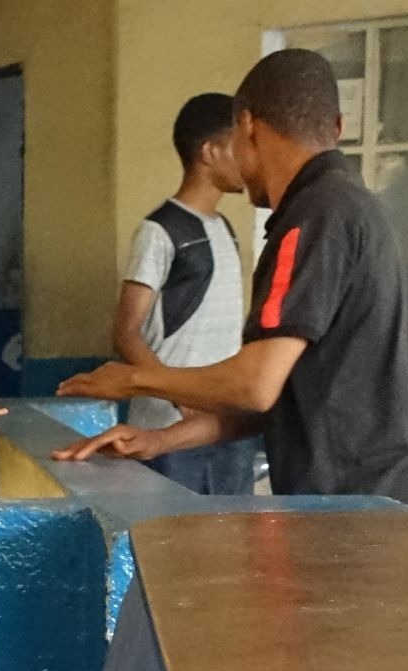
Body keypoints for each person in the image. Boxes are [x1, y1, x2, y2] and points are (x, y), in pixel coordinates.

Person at [53, 49, 408, 518]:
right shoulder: (350, 206)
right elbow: (275, 401)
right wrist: (159, 439)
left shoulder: (314, 217)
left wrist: (133, 379)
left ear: (246, 126)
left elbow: (255, 385)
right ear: (338, 128)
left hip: (366, 516)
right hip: (386, 507)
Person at [112, 93, 257, 496]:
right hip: (168, 430)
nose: (248, 157)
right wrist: (183, 400)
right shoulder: (160, 231)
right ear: (209, 152)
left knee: (233, 531)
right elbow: (125, 333)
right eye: (238, 145)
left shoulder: (225, 228)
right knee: (173, 533)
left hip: (225, 426)